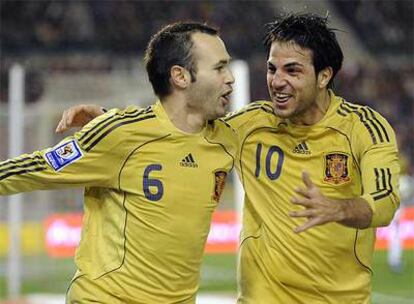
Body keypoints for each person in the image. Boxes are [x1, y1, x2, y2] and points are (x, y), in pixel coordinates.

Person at [56, 13, 400, 304]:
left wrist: (338, 208)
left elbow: (384, 202)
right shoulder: (249, 125)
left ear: (324, 76)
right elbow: (178, 127)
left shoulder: (364, 129)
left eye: (292, 71)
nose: (277, 82)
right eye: (271, 69)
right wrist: (111, 118)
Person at [1, 22, 236, 303]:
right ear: (180, 76)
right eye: (219, 68)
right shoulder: (119, 134)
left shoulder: (227, 138)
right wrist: (109, 122)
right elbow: (35, 168)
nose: (231, 78)